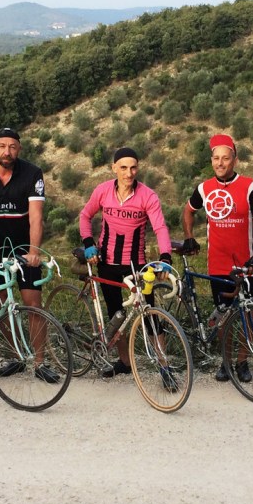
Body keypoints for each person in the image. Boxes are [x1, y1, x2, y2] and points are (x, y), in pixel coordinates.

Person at [0, 127, 59, 383]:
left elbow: (36, 217)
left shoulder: (32, 173)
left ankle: (39, 362)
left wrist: (34, 251)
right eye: (2, 146)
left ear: (19, 149)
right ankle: (15, 356)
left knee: (33, 304)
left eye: (13, 147)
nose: (7, 152)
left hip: (23, 246)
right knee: (3, 305)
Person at [79, 147, 175, 389]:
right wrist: (88, 243)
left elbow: (160, 228)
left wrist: (165, 257)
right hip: (107, 264)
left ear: (138, 168)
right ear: (114, 168)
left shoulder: (148, 195)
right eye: (123, 167)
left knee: (149, 315)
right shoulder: (103, 190)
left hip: (136, 266)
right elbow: (85, 216)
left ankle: (164, 367)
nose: (128, 173)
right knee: (116, 315)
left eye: (133, 168)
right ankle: (124, 362)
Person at [181, 133, 253, 383]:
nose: (220, 163)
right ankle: (226, 361)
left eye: (226, 158)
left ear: (235, 160)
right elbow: (188, 211)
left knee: (251, 314)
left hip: (246, 263)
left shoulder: (251, 188)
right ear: (211, 160)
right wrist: (189, 236)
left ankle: (243, 361)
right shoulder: (204, 188)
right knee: (223, 316)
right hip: (218, 264)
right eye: (216, 158)